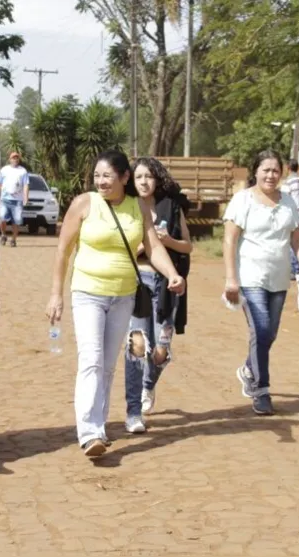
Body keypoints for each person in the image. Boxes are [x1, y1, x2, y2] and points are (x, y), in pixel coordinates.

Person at [45, 150, 185, 459]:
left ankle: (100, 425)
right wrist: (56, 294)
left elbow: (154, 246)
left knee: (108, 365)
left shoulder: (138, 208)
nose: (101, 181)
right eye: (97, 176)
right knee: (91, 360)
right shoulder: (85, 203)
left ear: (124, 177)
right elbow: (63, 250)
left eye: (107, 176)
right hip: (87, 292)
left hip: (123, 296)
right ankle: (89, 432)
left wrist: (173, 274)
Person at [223, 150, 299, 416]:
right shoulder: (242, 200)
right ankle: (261, 390)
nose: (271, 175)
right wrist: (231, 278)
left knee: (269, 334)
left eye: (275, 170)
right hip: (250, 278)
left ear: (282, 173)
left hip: (279, 278)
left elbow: (296, 239)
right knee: (261, 331)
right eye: (266, 170)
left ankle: (249, 368)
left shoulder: (287, 202)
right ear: (256, 171)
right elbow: (229, 240)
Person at [123, 157, 193, 433]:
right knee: (139, 344)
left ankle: (148, 385)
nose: (143, 182)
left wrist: (166, 242)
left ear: (158, 180)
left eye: (149, 177)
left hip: (167, 286)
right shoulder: (126, 209)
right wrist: (144, 248)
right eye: (138, 177)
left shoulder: (172, 207)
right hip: (137, 282)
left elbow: (188, 246)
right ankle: (136, 401)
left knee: (161, 350)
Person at [0, 152, 29, 247]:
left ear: (18, 160)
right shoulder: (4, 170)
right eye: (13, 158)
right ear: (9, 159)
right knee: (2, 218)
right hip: (5, 199)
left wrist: (26, 198)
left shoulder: (23, 171)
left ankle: (13, 239)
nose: (15, 159)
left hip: (17, 200)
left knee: (17, 220)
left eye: (17, 158)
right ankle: (3, 234)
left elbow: (26, 185)